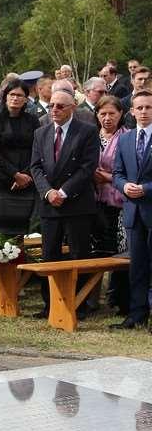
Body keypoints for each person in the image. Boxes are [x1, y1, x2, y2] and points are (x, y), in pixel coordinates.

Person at [30, 87, 100, 319]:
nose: (54, 109)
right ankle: (50, 304)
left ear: (72, 108)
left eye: (60, 106)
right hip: (50, 205)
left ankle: (77, 304)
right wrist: (48, 192)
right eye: (51, 105)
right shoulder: (41, 133)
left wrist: (64, 191)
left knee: (78, 255)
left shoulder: (87, 131)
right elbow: (36, 167)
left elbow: (87, 167)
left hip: (77, 204)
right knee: (49, 255)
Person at [110, 90, 152, 330]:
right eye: (140, 108)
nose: (144, 112)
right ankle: (137, 314)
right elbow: (116, 173)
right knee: (136, 266)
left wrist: (145, 188)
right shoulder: (125, 139)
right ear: (132, 111)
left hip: (150, 205)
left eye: (148, 107)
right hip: (132, 213)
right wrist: (124, 185)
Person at [92, 95, 129, 315]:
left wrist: (106, 177)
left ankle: (119, 299)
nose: (107, 118)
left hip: (120, 203)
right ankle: (92, 299)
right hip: (93, 203)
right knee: (96, 253)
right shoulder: (89, 136)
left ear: (121, 114)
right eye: (103, 113)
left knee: (122, 253)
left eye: (112, 114)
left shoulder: (127, 137)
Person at [0, 79, 40, 235]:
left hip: (27, 181)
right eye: (12, 94)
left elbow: (37, 149)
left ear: (26, 99)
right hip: (3, 180)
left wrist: (25, 175)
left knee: (23, 228)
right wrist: (15, 175)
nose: (15, 98)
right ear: (5, 96)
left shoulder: (32, 120)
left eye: (20, 95)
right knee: (1, 230)